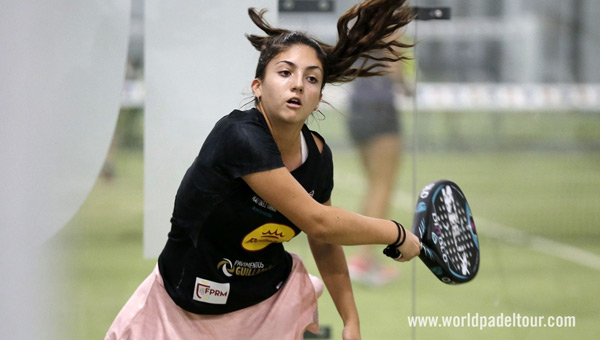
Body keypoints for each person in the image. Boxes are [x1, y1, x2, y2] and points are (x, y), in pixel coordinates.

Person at [106, 1, 419, 339]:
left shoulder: (317, 155)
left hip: (269, 302)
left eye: (311, 79)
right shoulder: (239, 137)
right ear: (258, 87)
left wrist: (350, 320)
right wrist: (396, 233)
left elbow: (323, 243)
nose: (298, 84)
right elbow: (320, 222)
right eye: (285, 73)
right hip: (181, 307)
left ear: (319, 98)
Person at [346, 54, 415, 287]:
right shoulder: (389, 27)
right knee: (383, 186)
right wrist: (406, 87)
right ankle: (363, 259)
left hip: (356, 108)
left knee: (373, 185)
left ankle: (366, 258)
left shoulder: (358, 26)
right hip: (381, 110)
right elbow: (395, 68)